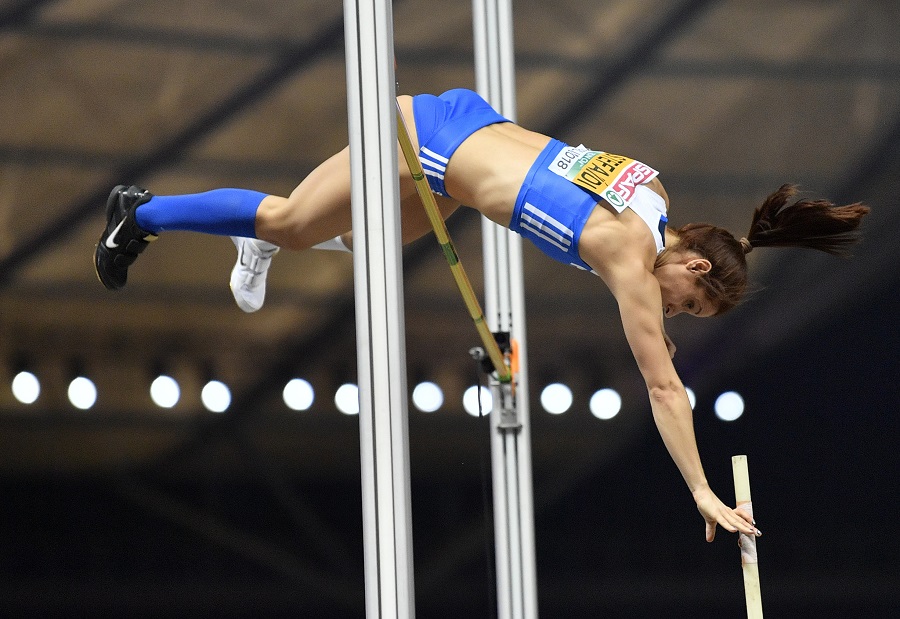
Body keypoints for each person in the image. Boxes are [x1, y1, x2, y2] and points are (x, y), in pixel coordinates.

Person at [94, 88, 869, 543]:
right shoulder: (632, 264)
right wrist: (700, 491)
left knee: (363, 242)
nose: (673, 310)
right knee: (296, 221)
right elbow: (665, 389)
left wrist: (659, 313)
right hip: (424, 144)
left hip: (465, 131)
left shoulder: (652, 197)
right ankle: (143, 214)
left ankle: (260, 239)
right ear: (692, 263)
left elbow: (605, 228)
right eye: (687, 301)